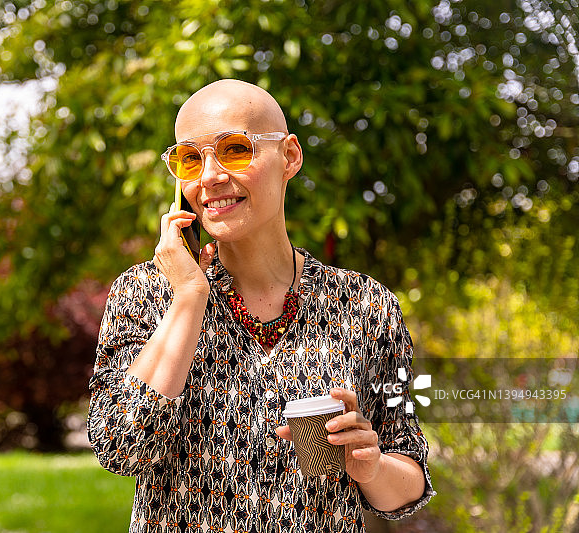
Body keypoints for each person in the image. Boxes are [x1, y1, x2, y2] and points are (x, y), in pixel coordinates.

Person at [88, 79, 434, 532]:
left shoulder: (367, 307)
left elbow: (410, 485)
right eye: (190, 159)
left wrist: (370, 467)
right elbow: (118, 446)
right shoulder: (146, 293)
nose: (209, 176)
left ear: (289, 156)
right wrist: (189, 299)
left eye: (234, 149)